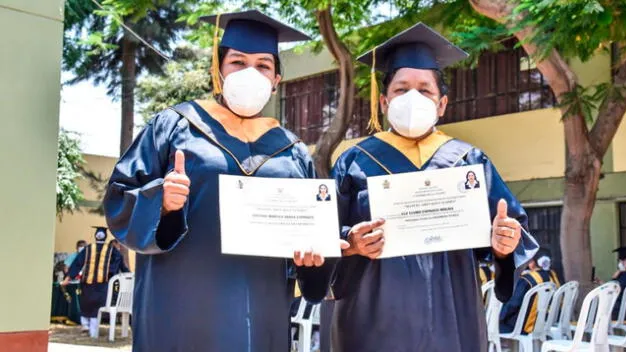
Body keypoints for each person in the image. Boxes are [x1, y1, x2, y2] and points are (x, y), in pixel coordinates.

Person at [103, 10, 343, 351]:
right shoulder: (173, 127)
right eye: (238, 62)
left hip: (263, 313)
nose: (251, 73)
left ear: (276, 79)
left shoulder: (293, 152)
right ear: (218, 70)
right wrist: (162, 201)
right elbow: (119, 199)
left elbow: (308, 250)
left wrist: (315, 258)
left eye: (263, 65)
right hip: (180, 311)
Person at [329, 23, 538, 352]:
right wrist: (351, 242)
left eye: (424, 90)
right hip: (371, 319)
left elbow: (510, 234)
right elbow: (322, 235)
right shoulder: (354, 162)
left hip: (451, 318)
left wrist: (503, 243)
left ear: (441, 104)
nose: (412, 98)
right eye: (401, 90)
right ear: (383, 102)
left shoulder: (469, 160)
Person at [62, 227, 126, 337]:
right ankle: (93, 332)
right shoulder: (112, 250)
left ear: (95, 236)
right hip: (102, 285)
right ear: (105, 237)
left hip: (87, 283)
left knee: (86, 305)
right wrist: (123, 274)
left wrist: (68, 278)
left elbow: (77, 264)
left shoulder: (88, 249)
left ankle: (86, 326)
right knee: (97, 308)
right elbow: (119, 265)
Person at [499, 252, 557, 334]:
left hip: (523, 327)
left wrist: (501, 316)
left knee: (493, 323)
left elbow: (513, 304)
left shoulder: (527, 279)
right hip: (544, 322)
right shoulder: (551, 277)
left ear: (533, 263)